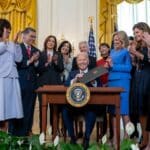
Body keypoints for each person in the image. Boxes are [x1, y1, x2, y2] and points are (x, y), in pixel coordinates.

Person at [62, 52, 101, 150]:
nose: (82, 62)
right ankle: (72, 138)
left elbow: (100, 87)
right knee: (65, 111)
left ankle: (86, 138)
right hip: (75, 105)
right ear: (77, 62)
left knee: (92, 112)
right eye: (80, 60)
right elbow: (66, 85)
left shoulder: (95, 72)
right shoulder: (73, 73)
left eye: (84, 60)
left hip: (89, 104)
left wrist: (94, 82)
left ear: (88, 61)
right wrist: (74, 81)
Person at [9, 27, 40, 136]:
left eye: (34, 37)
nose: (33, 39)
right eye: (31, 36)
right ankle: (14, 134)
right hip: (19, 82)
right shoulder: (17, 47)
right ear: (24, 35)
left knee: (29, 108)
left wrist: (36, 62)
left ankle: (26, 132)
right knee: (17, 108)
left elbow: (39, 68)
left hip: (32, 84)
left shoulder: (37, 51)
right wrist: (31, 60)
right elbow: (17, 64)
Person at [107, 31, 132, 146]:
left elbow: (128, 68)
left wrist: (113, 66)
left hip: (123, 82)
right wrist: (107, 67)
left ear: (123, 40)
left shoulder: (126, 52)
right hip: (111, 81)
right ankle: (116, 138)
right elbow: (110, 68)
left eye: (117, 39)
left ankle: (127, 138)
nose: (115, 41)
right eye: (114, 39)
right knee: (113, 111)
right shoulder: (111, 52)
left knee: (124, 111)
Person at [129, 22, 150, 150]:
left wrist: (136, 54)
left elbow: (148, 59)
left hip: (148, 78)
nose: (135, 35)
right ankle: (144, 138)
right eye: (134, 33)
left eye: (137, 32)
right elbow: (136, 65)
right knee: (141, 110)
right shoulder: (137, 45)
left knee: (148, 109)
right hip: (138, 78)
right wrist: (132, 56)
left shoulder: (149, 43)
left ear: (144, 31)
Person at [37, 35, 64, 132]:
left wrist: (55, 62)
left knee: (54, 109)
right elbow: (38, 70)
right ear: (46, 42)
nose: (51, 42)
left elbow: (61, 69)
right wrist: (47, 63)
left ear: (55, 44)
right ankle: (42, 131)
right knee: (42, 108)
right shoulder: (40, 54)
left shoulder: (58, 54)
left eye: (53, 41)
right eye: (49, 41)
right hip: (42, 85)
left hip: (55, 84)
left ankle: (54, 131)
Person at [0, 19, 23, 130]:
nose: (9, 33)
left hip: (12, 77)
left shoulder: (11, 43)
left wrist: (16, 44)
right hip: (2, 78)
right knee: (1, 107)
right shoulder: (4, 43)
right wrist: (4, 40)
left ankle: (7, 135)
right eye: (7, 31)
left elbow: (18, 59)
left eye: (9, 31)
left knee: (10, 108)